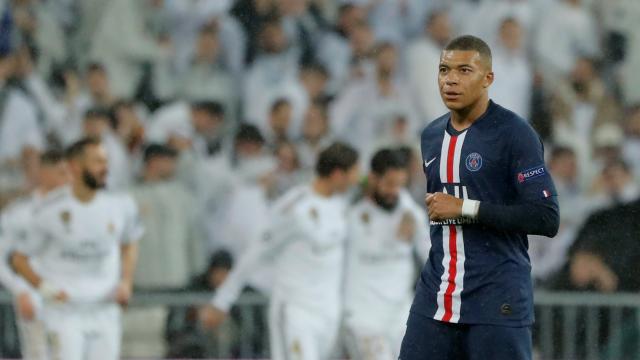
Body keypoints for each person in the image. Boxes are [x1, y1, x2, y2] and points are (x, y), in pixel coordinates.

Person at [399, 35, 559, 360]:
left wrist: (466, 208)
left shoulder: (515, 133)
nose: (451, 79)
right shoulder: (431, 135)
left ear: (488, 78)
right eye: (444, 70)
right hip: (438, 292)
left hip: (497, 295)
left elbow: (545, 217)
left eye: (464, 70)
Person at [200, 142, 360, 360]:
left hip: (329, 313)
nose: (358, 178)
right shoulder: (294, 208)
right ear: (338, 174)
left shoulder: (342, 206)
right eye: (354, 172)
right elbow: (256, 251)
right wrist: (223, 299)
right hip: (296, 311)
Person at [10, 137, 144, 360]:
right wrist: (45, 289)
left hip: (105, 308)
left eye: (106, 161)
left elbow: (130, 242)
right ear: (75, 166)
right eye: (98, 161)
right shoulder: (50, 211)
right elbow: (19, 259)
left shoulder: (121, 205)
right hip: (65, 312)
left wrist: (126, 281)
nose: (105, 168)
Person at [343, 148, 430, 360]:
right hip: (363, 318)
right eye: (390, 184)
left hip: (401, 317)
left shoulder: (412, 216)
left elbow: (432, 256)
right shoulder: (351, 216)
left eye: (400, 185)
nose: (395, 191)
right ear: (373, 178)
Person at [0, 149, 69, 360]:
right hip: (33, 295)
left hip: (70, 294)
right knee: (36, 353)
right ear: (44, 173)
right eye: (61, 173)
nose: (67, 179)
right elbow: (3, 257)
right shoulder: (19, 214)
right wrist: (20, 291)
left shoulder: (78, 211)